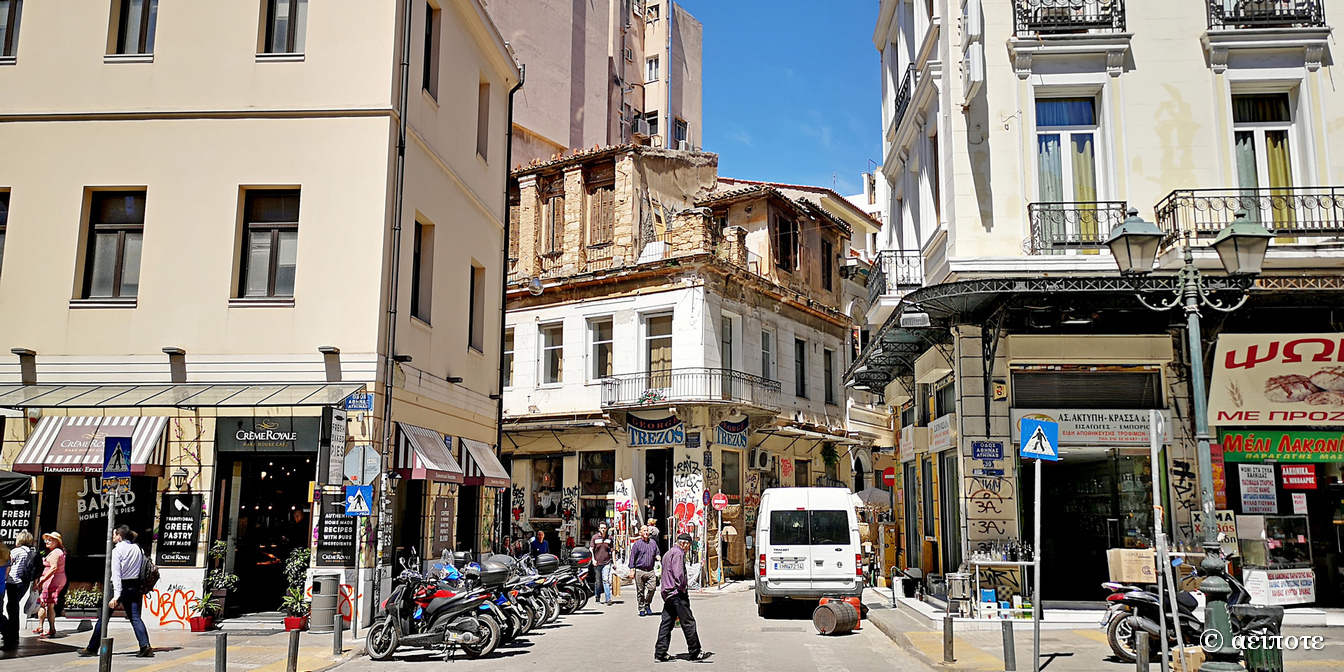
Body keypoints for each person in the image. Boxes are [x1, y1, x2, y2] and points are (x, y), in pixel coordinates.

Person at [79, 526, 152, 658]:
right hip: (133, 586)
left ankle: (92, 648)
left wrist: (116, 596)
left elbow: (117, 574)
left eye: (114, 534)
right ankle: (145, 645)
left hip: (118, 587)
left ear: (119, 535)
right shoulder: (137, 548)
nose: (112, 537)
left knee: (103, 618)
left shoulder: (117, 550)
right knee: (135, 617)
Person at [654, 534, 711, 663]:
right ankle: (695, 652)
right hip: (676, 593)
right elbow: (678, 574)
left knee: (666, 623)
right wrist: (683, 587)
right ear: (684, 543)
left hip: (668, 593)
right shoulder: (678, 554)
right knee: (688, 622)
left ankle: (660, 653)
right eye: (688, 545)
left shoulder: (668, 553)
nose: (688, 548)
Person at [4, 531, 35, 651]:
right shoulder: (31, 551)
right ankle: (13, 633)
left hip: (13, 582)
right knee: (14, 606)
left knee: (11, 607)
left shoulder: (16, 551)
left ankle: (12, 634)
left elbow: (8, 565)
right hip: (24, 582)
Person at [34, 532, 64, 639]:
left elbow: (53, 568)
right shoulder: (55, 552)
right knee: (44, 603)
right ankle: (41, 626)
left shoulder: (56, 552)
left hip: (52, 581)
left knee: (47, 604)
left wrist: (42, 580)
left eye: (50, 540)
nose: (47, 541)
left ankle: (50, 628)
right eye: (46, 540)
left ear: (56, 542)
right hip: (52, 580)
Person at [629, 525, 660, 616]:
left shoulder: (653, 543)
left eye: (647, 530)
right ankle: (641, 608)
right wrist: (632, 570)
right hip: (640, 570)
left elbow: (657, 552)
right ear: (640, 533)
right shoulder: (637, 544)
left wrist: (658, 556)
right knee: (640, 591)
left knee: (652, 588)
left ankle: (647, 604)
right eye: (644, 531)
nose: (646, 532)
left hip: (650, 570)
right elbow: (632, 557)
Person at [590, 522, 613, 606]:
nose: (603, 529)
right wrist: (593, 559)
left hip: (607, 562)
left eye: (604, 528)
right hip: (597, 562)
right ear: (599, 528)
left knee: (606, 580)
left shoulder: (609, 538)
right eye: (602, 528)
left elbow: (612, 550)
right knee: (598, 582)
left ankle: (608, 599)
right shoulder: (595, 538)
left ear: (606, 529)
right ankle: (597, 597)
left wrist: (614, 562)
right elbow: (591, 549)